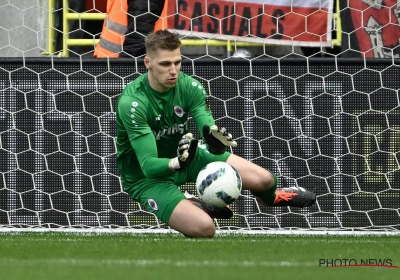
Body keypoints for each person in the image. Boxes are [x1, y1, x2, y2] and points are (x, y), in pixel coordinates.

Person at [115, 30, 316, 238]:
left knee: (264, 180)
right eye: (165, 64)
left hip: (189, 156)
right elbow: (148, 165)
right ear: (147, 62)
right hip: (147, 178)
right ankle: (194, 204)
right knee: (205, 229)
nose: (173, 71)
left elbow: (206, 127)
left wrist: (213, 140)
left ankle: (270, 198)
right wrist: (176, 163)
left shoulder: (189, 86)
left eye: (177, 62)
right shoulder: (133, 103)